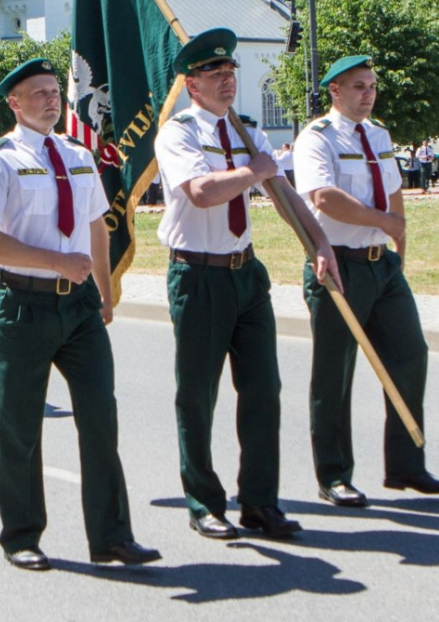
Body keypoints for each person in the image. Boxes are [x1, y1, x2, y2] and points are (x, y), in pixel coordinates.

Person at [0, 57, 162, 572]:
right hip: (23, 304)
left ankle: (111, 536)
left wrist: (105, 292)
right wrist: (56, 261)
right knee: (20, 425)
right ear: (14, 103)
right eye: (39, 93)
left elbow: (96, 226)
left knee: (100, 417)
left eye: (55, 91)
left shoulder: (77, 154)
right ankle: (21, 535)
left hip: (79, 307)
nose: (51, 99)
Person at [153, 29, 341, 541]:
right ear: (192, 85)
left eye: (230, 71)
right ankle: (204, 503)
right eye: (214, 73)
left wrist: (320, 243)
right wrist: (253, 169)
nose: (227, 79)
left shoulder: (247, 132)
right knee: (198, 395)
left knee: (262, 389)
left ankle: (260, 503)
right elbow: (201, 192)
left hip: (246, 273)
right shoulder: (178, 134)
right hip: (198, 275)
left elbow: (285, 195)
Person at [294, 55, 439, 507]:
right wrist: (383, 221)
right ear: (335, 91)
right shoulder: (317, 138)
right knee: (335, 374)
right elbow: (324, 197)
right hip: (337, 266)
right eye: (358, 86)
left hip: (381, 264)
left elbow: (394, 189)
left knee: (410, 355)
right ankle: (334, 476)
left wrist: (398, 239)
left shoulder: (379, 134)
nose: (368, 94)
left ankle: (406, 465)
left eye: (372, 86)